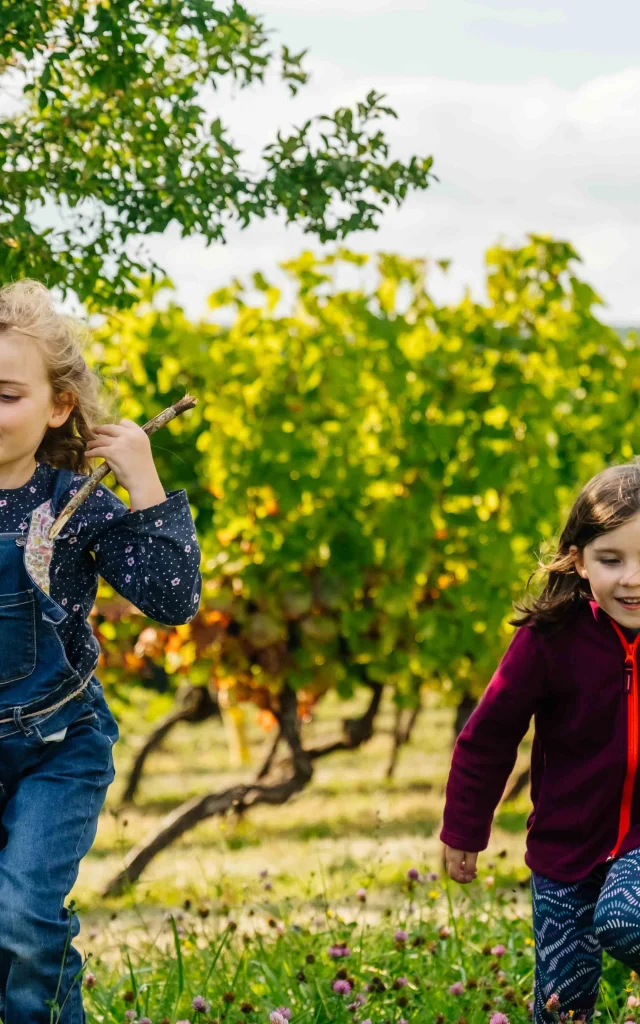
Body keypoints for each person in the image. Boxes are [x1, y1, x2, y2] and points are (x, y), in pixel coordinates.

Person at [0, 279, 202, 1023]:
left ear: (58, 405)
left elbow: (172, 599)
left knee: (21, 914)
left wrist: (143, 483)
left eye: (6, 394)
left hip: (59, 744)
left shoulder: (73, 502)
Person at [441, 457, 640, 1024]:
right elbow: (489, 737)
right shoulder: (549, 639)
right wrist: (464, 827)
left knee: (629, 919)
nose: (632, 578)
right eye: (611, 560)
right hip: (565, 850)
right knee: (561, 1007)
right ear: (578, 562)